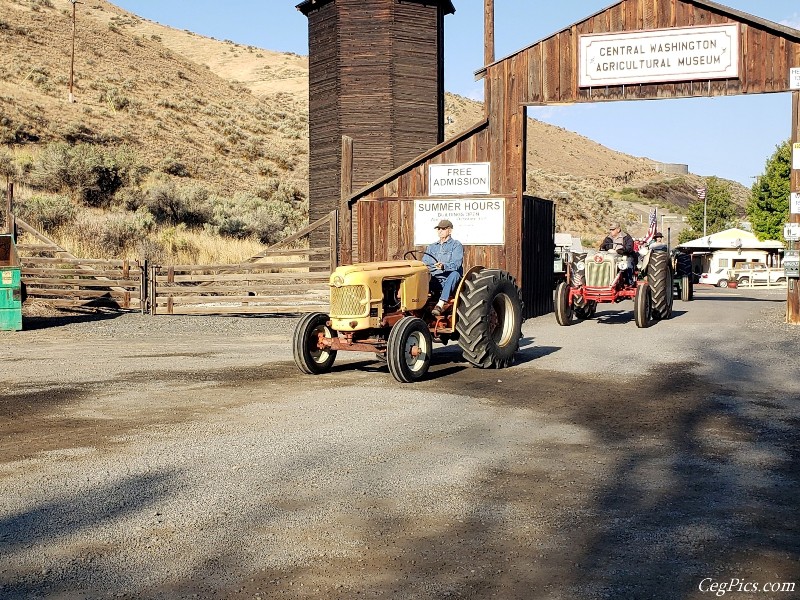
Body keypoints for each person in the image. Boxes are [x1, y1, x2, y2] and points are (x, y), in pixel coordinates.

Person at [422, 219, 464, 316]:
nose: (440, 231)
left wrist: (444, 266)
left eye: (443, 229)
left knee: (455, 274)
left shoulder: (456, 245)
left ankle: (440, 304)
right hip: (434, 278)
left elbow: (457, 264)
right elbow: (425, 262)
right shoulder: (432, 247)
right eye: (438, 229)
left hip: (448, 278)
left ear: (450, 230)